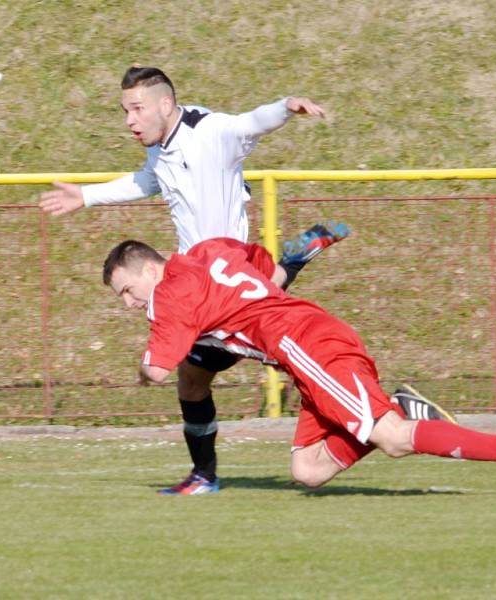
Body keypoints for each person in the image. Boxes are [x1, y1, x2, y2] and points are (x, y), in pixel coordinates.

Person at [41, 66, 445, 495]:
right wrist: (87, 194)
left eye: (136, 109)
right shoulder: (161, 147)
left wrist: (286, 107)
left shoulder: (209, 131)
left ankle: (208, 474)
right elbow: (148, 180)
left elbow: (249, 123)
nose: (129, 120)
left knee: (218, 371)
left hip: (219, 281)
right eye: (125, 110)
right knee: (211, 368)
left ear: (165, 104)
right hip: (212, 278)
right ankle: (295, 262)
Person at [101, 238, 496, 498]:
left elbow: (160, 371)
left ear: (148, 269)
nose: (128, 303)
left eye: (125, 290)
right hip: (305, 345)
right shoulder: (208, 251)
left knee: (394, 440)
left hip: (304, 345)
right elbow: (264, 269)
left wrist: (142, 372)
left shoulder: (167, 294)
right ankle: (398, 409)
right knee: (308, 471)